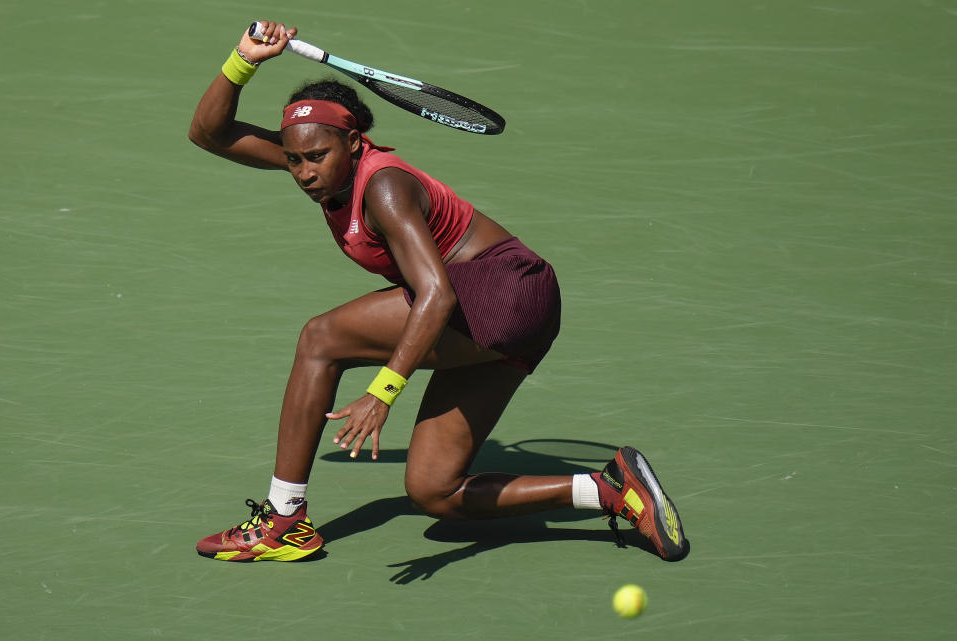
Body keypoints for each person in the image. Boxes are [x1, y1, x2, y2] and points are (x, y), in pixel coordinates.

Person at [188, 20, 689, 563]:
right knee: (433, 490)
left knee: (320, 339)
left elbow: (436, 295)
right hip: (516, 314)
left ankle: (284, 519)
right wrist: (243, 61)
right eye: (293, 159)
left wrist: (382, 393)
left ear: (353, 142)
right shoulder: (327, 171)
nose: (305, 172)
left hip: (501, 293)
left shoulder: (383, 186)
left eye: (317, 157)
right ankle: (609, 489)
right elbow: (210, 134)